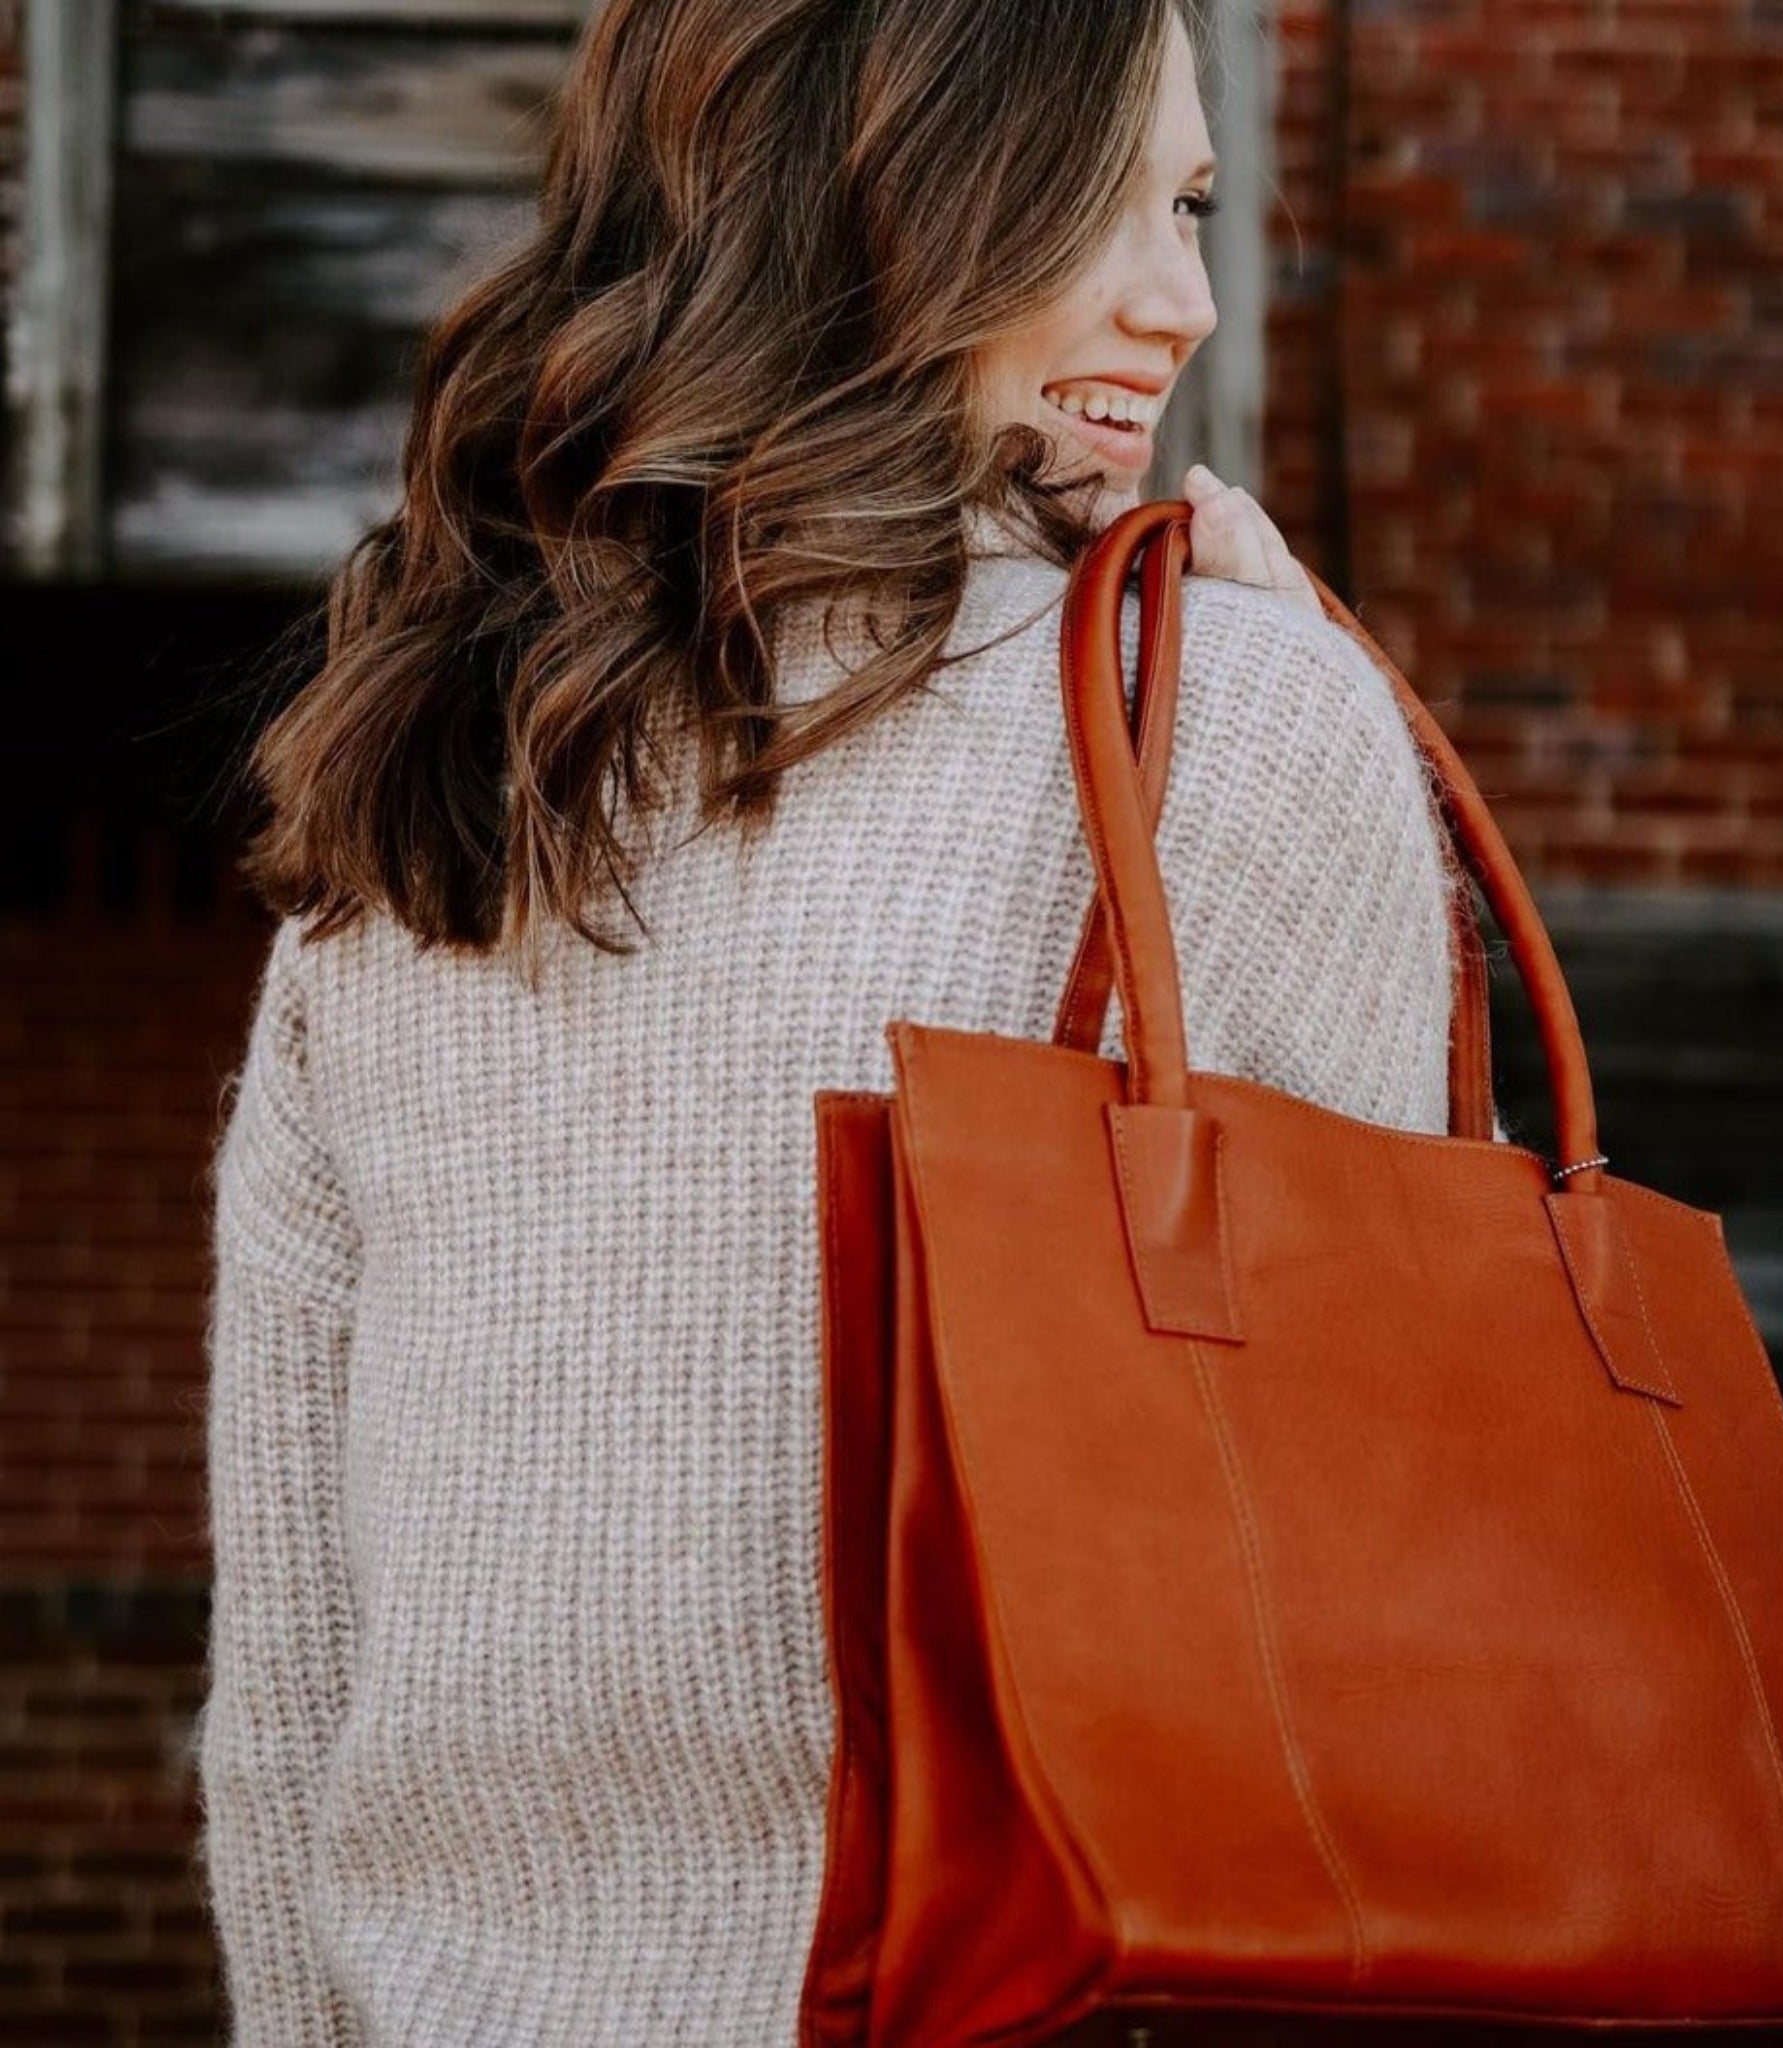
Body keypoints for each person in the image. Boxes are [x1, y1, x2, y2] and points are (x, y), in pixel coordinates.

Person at [196, 1, 1475, 2040]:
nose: (1191, 302)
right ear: (892, 195)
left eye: (1202, 205)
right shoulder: (1222, 732)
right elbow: (1430, 1516)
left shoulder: (418, 800)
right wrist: (1319, 724)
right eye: (1106, 204)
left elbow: (287, 1688)